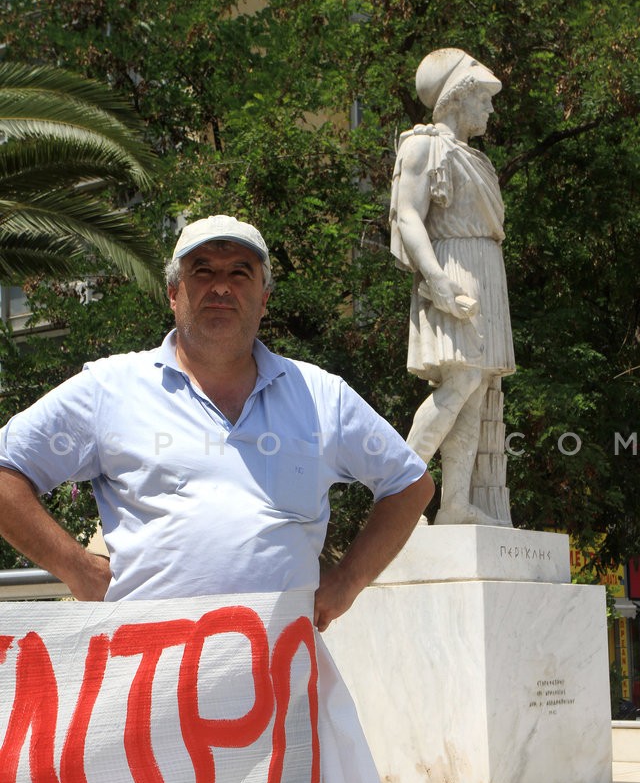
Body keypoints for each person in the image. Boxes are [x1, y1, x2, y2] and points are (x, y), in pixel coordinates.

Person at [0, 214, 432, 623]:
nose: (221, 287)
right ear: (174, 294)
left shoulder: (320, 395)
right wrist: (78, 569)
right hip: (151, 682)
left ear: (263, 300)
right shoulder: (110, 389)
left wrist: (347, 582)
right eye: (202, 271)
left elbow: (410, 483)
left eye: (240, 273)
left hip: (282, 684)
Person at [390, 48, 516, 525]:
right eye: (483, 98)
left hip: (486, 265)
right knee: (460, 377)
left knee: (477, 385)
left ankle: (456, 505)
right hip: (452, 262)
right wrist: (437, 280)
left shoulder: (476, 159)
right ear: (458, 98)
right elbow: (407, 215)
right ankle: (396, 494)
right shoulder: (424, 145)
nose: (489, 108)